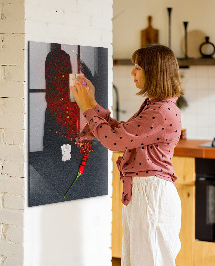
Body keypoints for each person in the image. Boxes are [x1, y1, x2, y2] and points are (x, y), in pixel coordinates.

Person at [70, 44, 183, 266]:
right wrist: (92, 103)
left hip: (151, 195)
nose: (132, 72)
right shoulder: (156, 106)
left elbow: (114, 141)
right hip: (145, 193)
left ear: (154, 71)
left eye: (138, 67)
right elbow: (122, 133)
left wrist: (86, 107)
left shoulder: (160, 111)